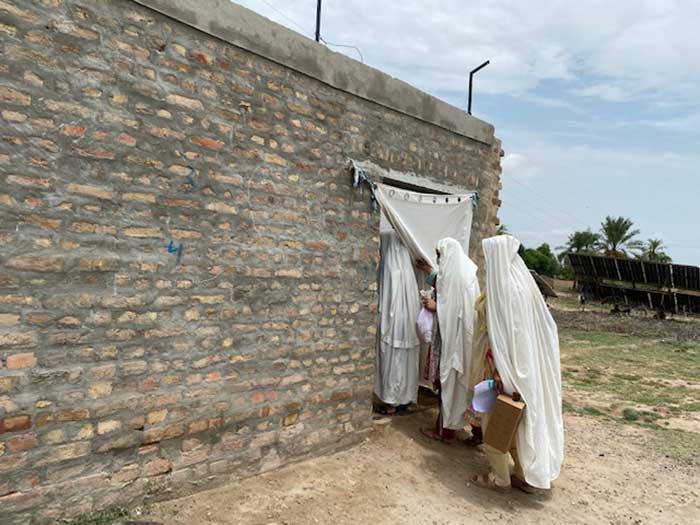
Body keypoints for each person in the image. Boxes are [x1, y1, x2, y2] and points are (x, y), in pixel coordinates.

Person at [471, 235, 564, 493]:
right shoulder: (520, 286)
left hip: (503, 371)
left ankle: (499, 478)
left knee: (496, 423)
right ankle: (524, 474)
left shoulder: (505, 291)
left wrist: (503, 373)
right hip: (521, 372)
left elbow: (508, 338)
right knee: (519, 425)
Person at [417, 238, 480, 443]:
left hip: (455, 343)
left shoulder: (458, 277)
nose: (438, 259)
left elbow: (453, 309)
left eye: (439, 255)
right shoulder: (465, 272)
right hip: (462, 342)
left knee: (450, 384)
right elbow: (444, 283)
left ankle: (444, 432)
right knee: (462, 387)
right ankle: (477, 433)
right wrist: (430, 272)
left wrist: (436, 307)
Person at [374, 220, 422, 415]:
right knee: (407, 363)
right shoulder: (409, 272)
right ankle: (406, 399)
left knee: (392, 362)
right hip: (408, 328)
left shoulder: (389, 269)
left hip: (394, 327)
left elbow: (387, 304)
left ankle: (390, 402)